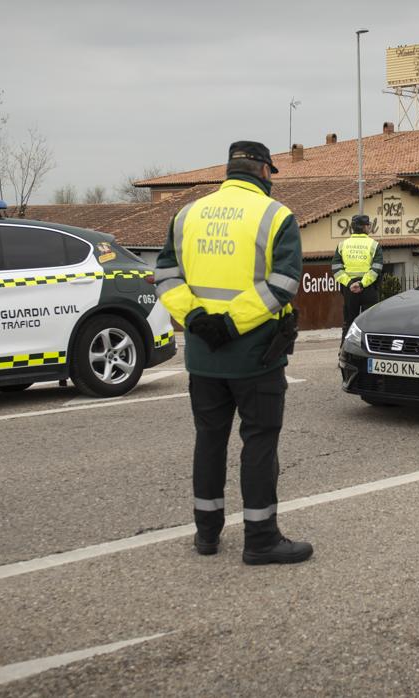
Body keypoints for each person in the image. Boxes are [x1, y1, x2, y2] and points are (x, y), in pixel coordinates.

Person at [154, 140, 312, 565]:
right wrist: (232, 323)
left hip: (203, 357)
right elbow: (282, 284)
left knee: (209, 440)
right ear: (263, 171)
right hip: (255, 357)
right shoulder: (275, 216)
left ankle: (206, 535)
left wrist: (197, 318)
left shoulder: (187, 214)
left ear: (229, 170)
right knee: (259, 443)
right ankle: (260, 539)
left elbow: (165, 274)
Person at [331, 214, 383, 338]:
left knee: (349, 322)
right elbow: (377, 269)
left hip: (349, 290)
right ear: (365, 227)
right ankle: (367, 352)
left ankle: (344, 352)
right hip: (369, 289)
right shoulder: (374, 245)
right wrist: (362, 283)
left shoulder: (342, 245)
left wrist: (350, 284)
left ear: (353, 227)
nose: (369, 227)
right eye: (368, 225)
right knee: (369, 323)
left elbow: (336, 268)